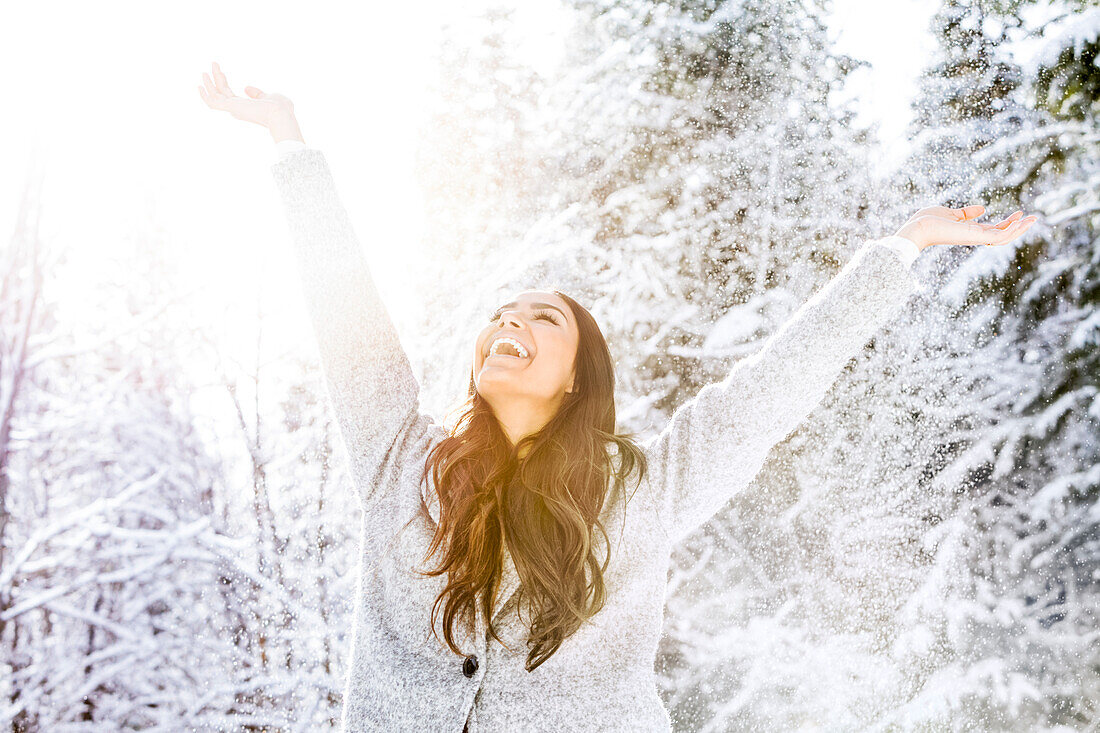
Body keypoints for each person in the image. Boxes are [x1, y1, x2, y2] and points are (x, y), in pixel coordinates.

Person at [198, 61, 1037, 732]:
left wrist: (902, 248)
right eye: (498, 317)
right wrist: (288, 138)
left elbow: (770, 390)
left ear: (577, 379)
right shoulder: (402, 462)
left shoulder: (638, 494)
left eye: (541, 318)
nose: (506, 324)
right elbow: (348, 315)